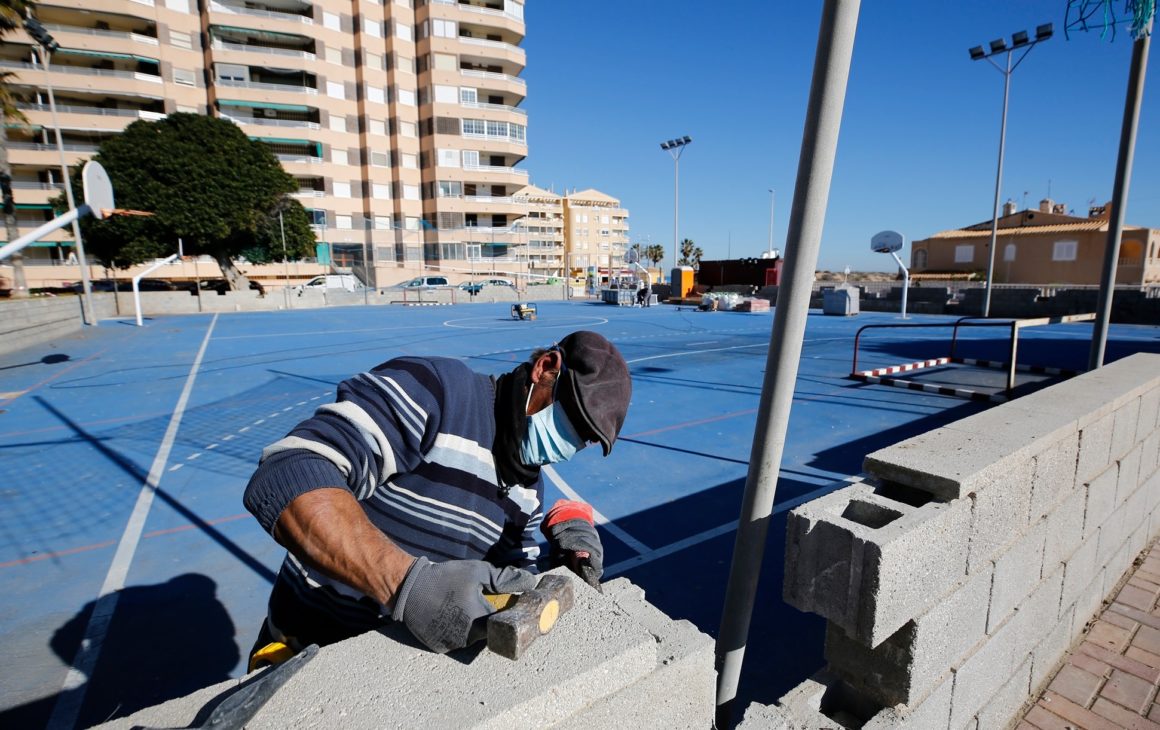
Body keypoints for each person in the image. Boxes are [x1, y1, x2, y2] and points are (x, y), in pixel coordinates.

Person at [243, 330, 632, 659]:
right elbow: (290, 470)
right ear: (545, 368)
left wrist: (566, 560)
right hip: (300, 652)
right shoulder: (437, 393)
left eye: (582, 440)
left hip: (392, 680)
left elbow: (512, 595)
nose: (568, 444)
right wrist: (403, 584)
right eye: (572, 421)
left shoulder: (528, 492)